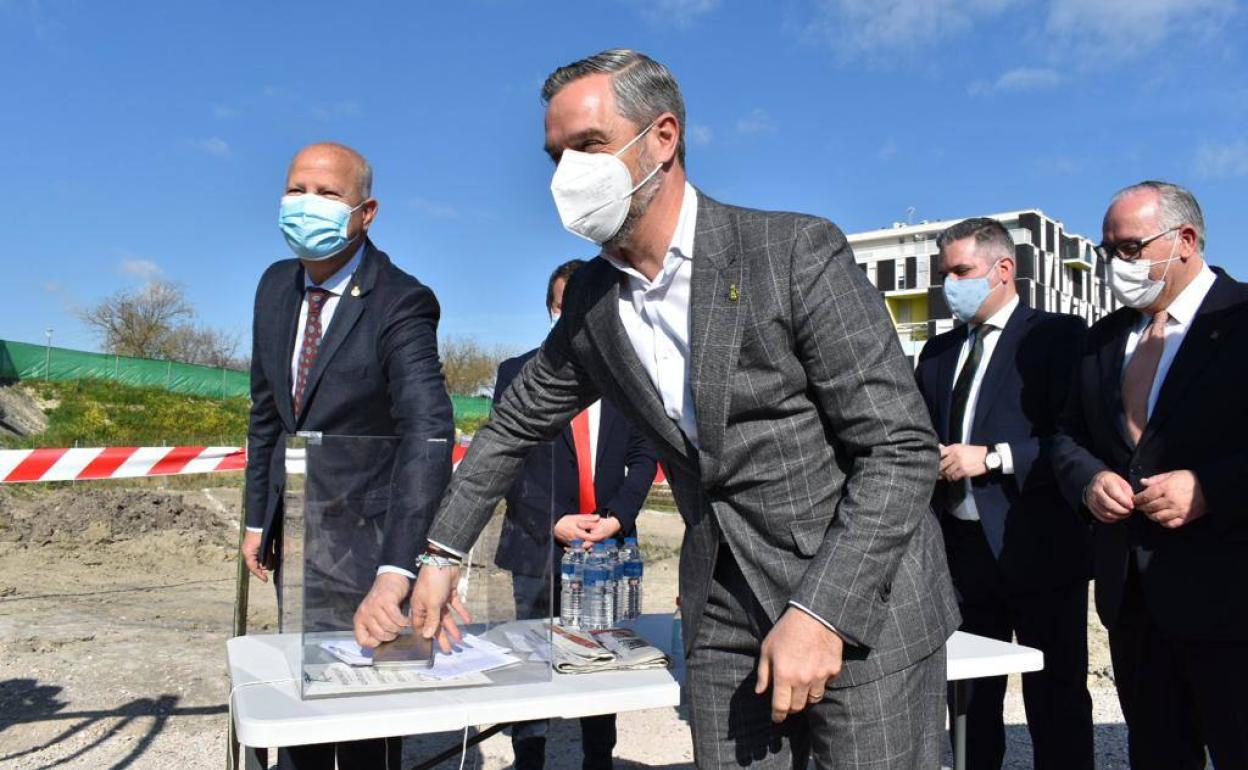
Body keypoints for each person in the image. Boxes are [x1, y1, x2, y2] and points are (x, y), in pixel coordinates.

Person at [410, 49, 960, 769]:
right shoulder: (591, 303)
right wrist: (441, 553)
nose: (566, 175)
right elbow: (514, 424)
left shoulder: (791, 252)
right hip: (722, 608)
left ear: (662, 139)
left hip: (861, 603)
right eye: (555, 156)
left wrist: (824, 611)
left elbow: (899, 448)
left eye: (589, 146)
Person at [240, 141, 454, 770]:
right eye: (297, 189)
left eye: (328, 194)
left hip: (372, 544)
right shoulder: (274, 287)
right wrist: (260, 518)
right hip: (301, 538)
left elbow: (428, 431)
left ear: (366, 212)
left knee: (367, 719)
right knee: (302, 710)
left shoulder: (402, 301)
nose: (307, 204)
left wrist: (401, 565)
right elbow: (266, 413)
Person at [1052, 180, 1248, 769]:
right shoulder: (1101, 341)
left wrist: (1212, 488)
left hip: (1232, 598)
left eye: (1131, 247)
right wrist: (1088, 480)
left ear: (1185, 240)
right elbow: (1065, 436)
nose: (1116, 263)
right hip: (1132, 601)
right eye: (1107, 249)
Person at [913, 218, 1093, 770]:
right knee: (969, 700)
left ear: (1004, 269)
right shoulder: (938, 354)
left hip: (1038, 547)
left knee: (1056, 698)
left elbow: (1073, 441)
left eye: (962, 272)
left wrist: (991, 457)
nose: (951, 285)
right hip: (962, 556)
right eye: (945, 275)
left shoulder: (1057, 339)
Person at [494, 258, 659, 770]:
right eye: (568, 307)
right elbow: (507, 459)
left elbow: (644, 454)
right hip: (539, 544)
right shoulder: (516, 374)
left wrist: (616, 518)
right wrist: (554, 521)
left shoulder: (631, 377)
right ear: (552, 309)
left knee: (604, 660)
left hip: (607, 549)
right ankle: (530, 757)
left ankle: (597, 758)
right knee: (533, 664)